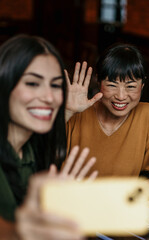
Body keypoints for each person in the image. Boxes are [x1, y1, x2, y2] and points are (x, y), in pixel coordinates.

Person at [0, 35, 98, 239]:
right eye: (33, 83)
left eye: (55, 85)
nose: (49, 97)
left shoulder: (29, 149)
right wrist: (21, 232)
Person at [65, 44, 149, 182]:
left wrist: (121, 195)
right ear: (98, 81)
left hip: (121, 202)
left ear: (142, 85)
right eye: (112, 85)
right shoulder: (77, 112)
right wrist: (67, 112)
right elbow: (39, 157)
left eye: (131, 86)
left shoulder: (146, 114)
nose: (121, 96)